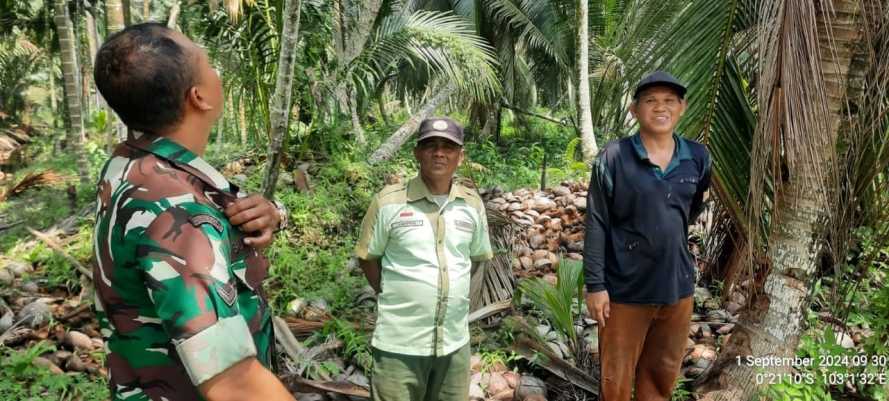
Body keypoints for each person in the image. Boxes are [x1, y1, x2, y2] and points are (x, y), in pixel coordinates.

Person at [91, 23, 294, 401]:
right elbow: (233, 383)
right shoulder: (177, 210)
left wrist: (273, 214)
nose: (217, 71)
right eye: (209, 63)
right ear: (199, 97)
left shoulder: (129, 168)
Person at [583, 71, 711, 401]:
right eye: (651, 100)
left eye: (670, 100)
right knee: (616, 383)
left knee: (660, 378)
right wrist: (596, 286)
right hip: (625, 292)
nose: (661, 107)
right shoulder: (613, 158)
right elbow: (597, 221)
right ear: (634, 110)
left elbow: (688, 211)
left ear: (682, 108)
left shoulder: (697, 157)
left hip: (676, 290)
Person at [355, 117, 494, 401]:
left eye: (448, 147)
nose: (439, 153)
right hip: (399, 346)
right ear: (417, 152)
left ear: (460, 156)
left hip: (454, 346)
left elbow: (478, 259)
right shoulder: (389, 202)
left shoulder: (471, 204)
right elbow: (368, 258)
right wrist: (394, 293)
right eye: (430, 145)